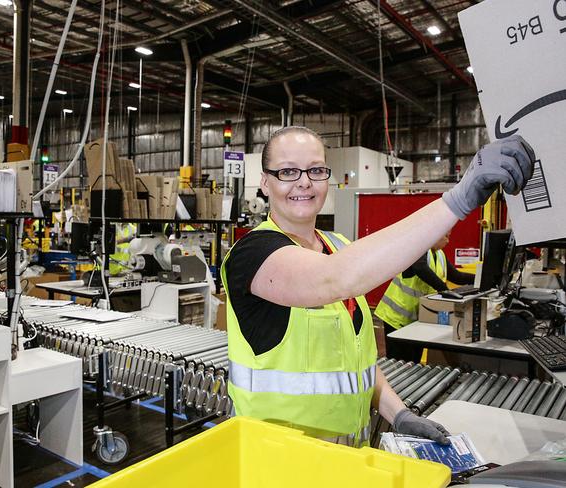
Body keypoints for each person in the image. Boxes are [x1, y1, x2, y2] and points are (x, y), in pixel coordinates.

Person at [221, 126, 534, 447]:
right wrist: (457, 200)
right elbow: (333, 277)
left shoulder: (338, 245)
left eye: (315, 170)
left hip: (347, 454)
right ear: (264, 182)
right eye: (288, 171)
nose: (304, 181)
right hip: (279, 459)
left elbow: (356, 363)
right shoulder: (252, 254)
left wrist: (398, 414)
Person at [375, 231, 475, 361]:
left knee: (413, 360)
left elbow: (457, 276)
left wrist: (480, 279)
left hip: (417, 318)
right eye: (446, 236)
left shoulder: (439, 255)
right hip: (397, 317)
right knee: (398, 362)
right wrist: (445, 290)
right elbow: (420, 268)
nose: (448, 241)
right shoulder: (418, 250)